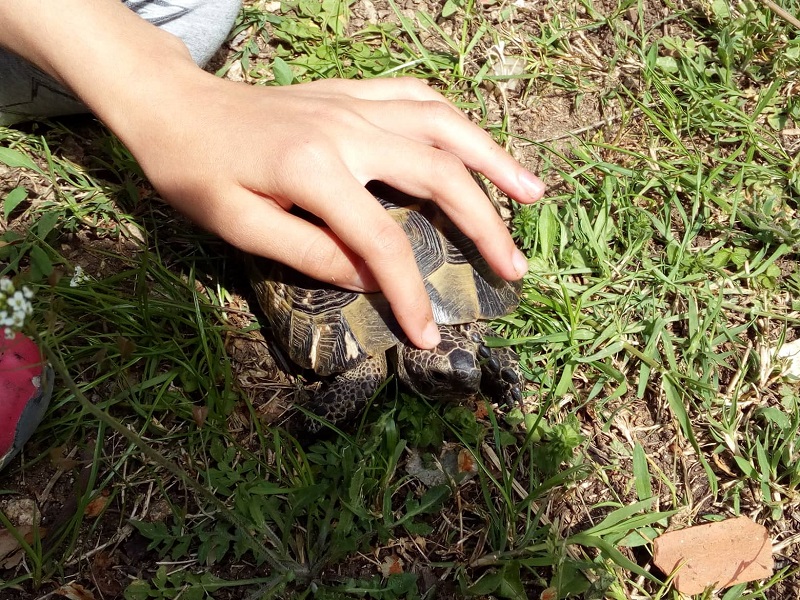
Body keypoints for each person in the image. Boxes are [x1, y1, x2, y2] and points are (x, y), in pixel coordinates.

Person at [0, 0, 545, 466]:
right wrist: (167, 97)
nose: (462, 382)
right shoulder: (370, 368)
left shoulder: (457, 342)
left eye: (450, 374)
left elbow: (467, 357)